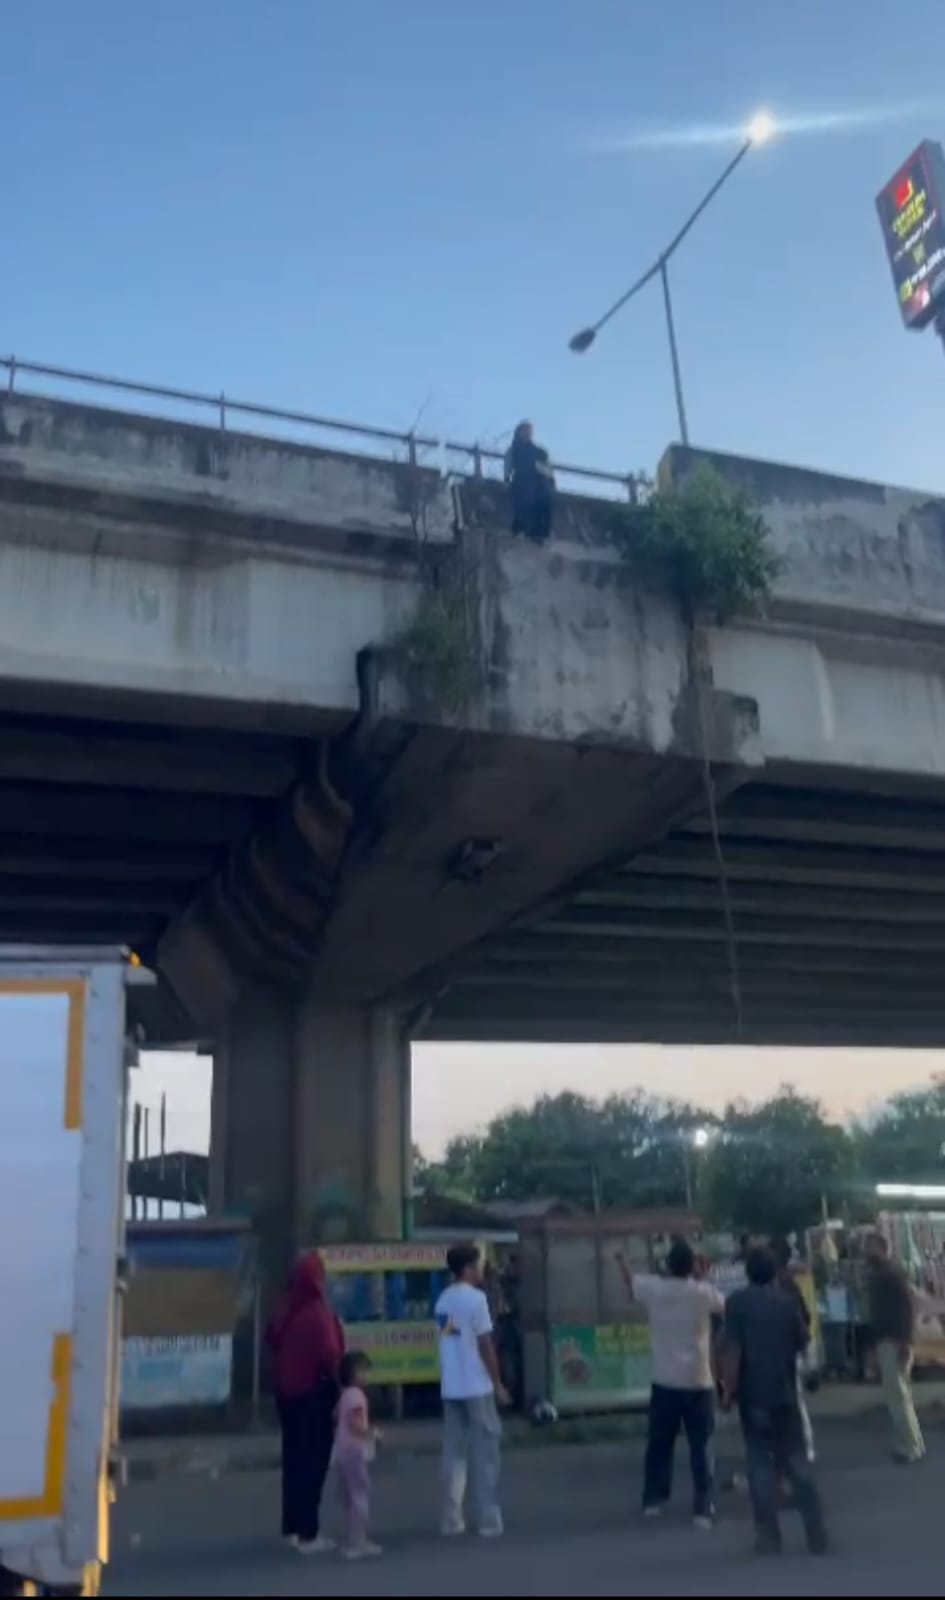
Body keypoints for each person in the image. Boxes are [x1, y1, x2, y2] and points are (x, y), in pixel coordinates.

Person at [723, 1246, 829, 1557]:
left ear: (747, 1273)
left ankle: (768, 1537)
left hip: (752, 1395)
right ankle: (816, 1534)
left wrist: (728, 1391)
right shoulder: (786, 1303)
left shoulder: (737, 1303)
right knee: (797, 1463)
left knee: (759, 1466)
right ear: (774, 1273)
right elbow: (802, 1343)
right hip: (785, 1392)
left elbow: (733, 1351)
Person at [618, 1239, 724, 1529]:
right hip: (699, 1381)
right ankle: (702, 1508)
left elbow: (631, 1281)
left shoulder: (655, 1289)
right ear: (692, 1265)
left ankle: (653, 1500)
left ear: (668, 1265)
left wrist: (621, 1261)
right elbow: (722, 1306)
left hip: (664, 1380)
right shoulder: (702, 1293)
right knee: (701, 1447)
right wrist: (703, 1277)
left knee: (659, 1444)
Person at [266, 1251, 343, 1555]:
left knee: (294, 1462)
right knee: (313, 1463)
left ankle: (293, 1528)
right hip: (313, 1393)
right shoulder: (316, 1313)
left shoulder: (285, 1306)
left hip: (286, 1393)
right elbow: (330, 1355)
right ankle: (309, 1533)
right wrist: (344, 1392)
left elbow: (271, 1339)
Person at [435, 1243, 510, 1539]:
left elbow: (451, 1339)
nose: (481, 1270)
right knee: (486, 1454)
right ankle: (488, 1519)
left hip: (451, 1385)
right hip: (477, 1385)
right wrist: (498, 1383)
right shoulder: (476, 1300)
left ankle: (451, 1519)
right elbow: (485, 1344)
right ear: (467, 1268)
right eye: (478, 1265)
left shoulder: (443, 1300)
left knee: (454, 1453)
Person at [865, 1232, 924, 1464]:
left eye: (870, 1247)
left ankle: (909, 1446)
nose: (866, 1252)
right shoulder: (884, 1274)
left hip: (894, 1341)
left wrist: (906, 1341)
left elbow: (909, 1307)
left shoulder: (891, 1274)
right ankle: (914, 1442)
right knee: (901, 1396)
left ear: (883, 1248)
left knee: (897, 1397)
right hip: (891, 1340)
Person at [334, 1351, 382, 1562]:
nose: (367, 1375)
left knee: (350, 1496)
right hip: (355, 1451)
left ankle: (353, 1539)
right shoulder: (356, 1397)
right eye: (364, 1370)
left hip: (343, 1451)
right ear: (354, 1373)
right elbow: (356, 1425)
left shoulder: (345, 1395)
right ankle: (358, 1542)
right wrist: (374, 1434)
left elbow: (336, 1415)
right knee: (360, 1495)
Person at [771, 1236, 815, 1464]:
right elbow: (805, 1318)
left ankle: (795, 1447)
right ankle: (802, 1447)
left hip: (783, 1352)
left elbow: (802, 1318)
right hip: (791, 1350)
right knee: (795, 1402)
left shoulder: (780, 1284)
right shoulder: (789, 1283)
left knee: (789, 1402)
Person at [503, 420, 555, 544]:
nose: (527, 433)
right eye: (524, 430)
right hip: (521, 481)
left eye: (529, 431)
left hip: (538, 484)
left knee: (542, 504)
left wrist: (550, 480)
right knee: (522, 505)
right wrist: (506, 479)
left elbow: (547, 469)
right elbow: (508, 467)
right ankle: (520, 531)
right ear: (519, 432)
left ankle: (539, 535)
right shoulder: (514, 450)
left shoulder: (539, 452)